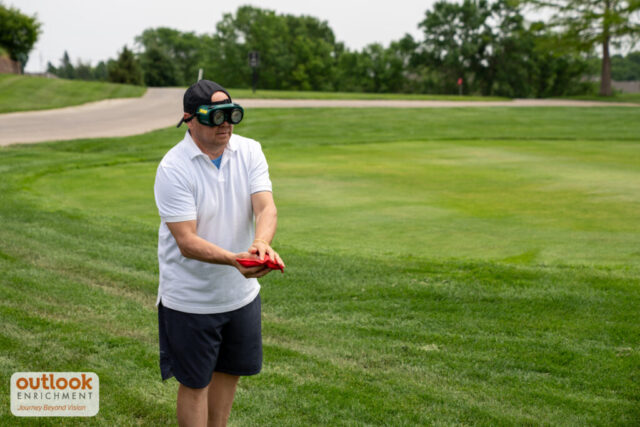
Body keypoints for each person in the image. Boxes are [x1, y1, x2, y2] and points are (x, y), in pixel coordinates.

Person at [154, 79, 284, 427]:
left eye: (231, 114)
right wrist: (233, 260)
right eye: (216, 116)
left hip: (240, 297)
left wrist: (261, 243)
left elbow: (266, 207)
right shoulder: (173, 167)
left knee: (229, 373)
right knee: (195, 383)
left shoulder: (250, 150)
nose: (226, 123)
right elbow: (186, 240)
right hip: (191, 299)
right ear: (190, 119)